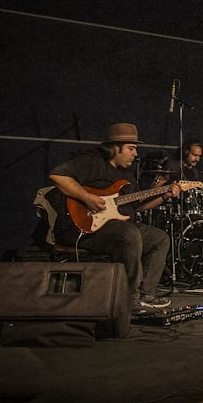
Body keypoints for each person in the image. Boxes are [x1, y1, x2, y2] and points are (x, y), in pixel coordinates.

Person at [49, 122, 180, 311]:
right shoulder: (90, 162)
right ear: (115, 148)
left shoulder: (126, 175)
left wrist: (164, 195)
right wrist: (86, 197)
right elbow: (57, 176)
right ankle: (130, 299)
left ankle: (146, 294)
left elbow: (138, 206)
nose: (135, 154)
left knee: (160, 239)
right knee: (129, 234)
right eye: (131, 148)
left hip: (118, 225)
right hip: (87, 228)